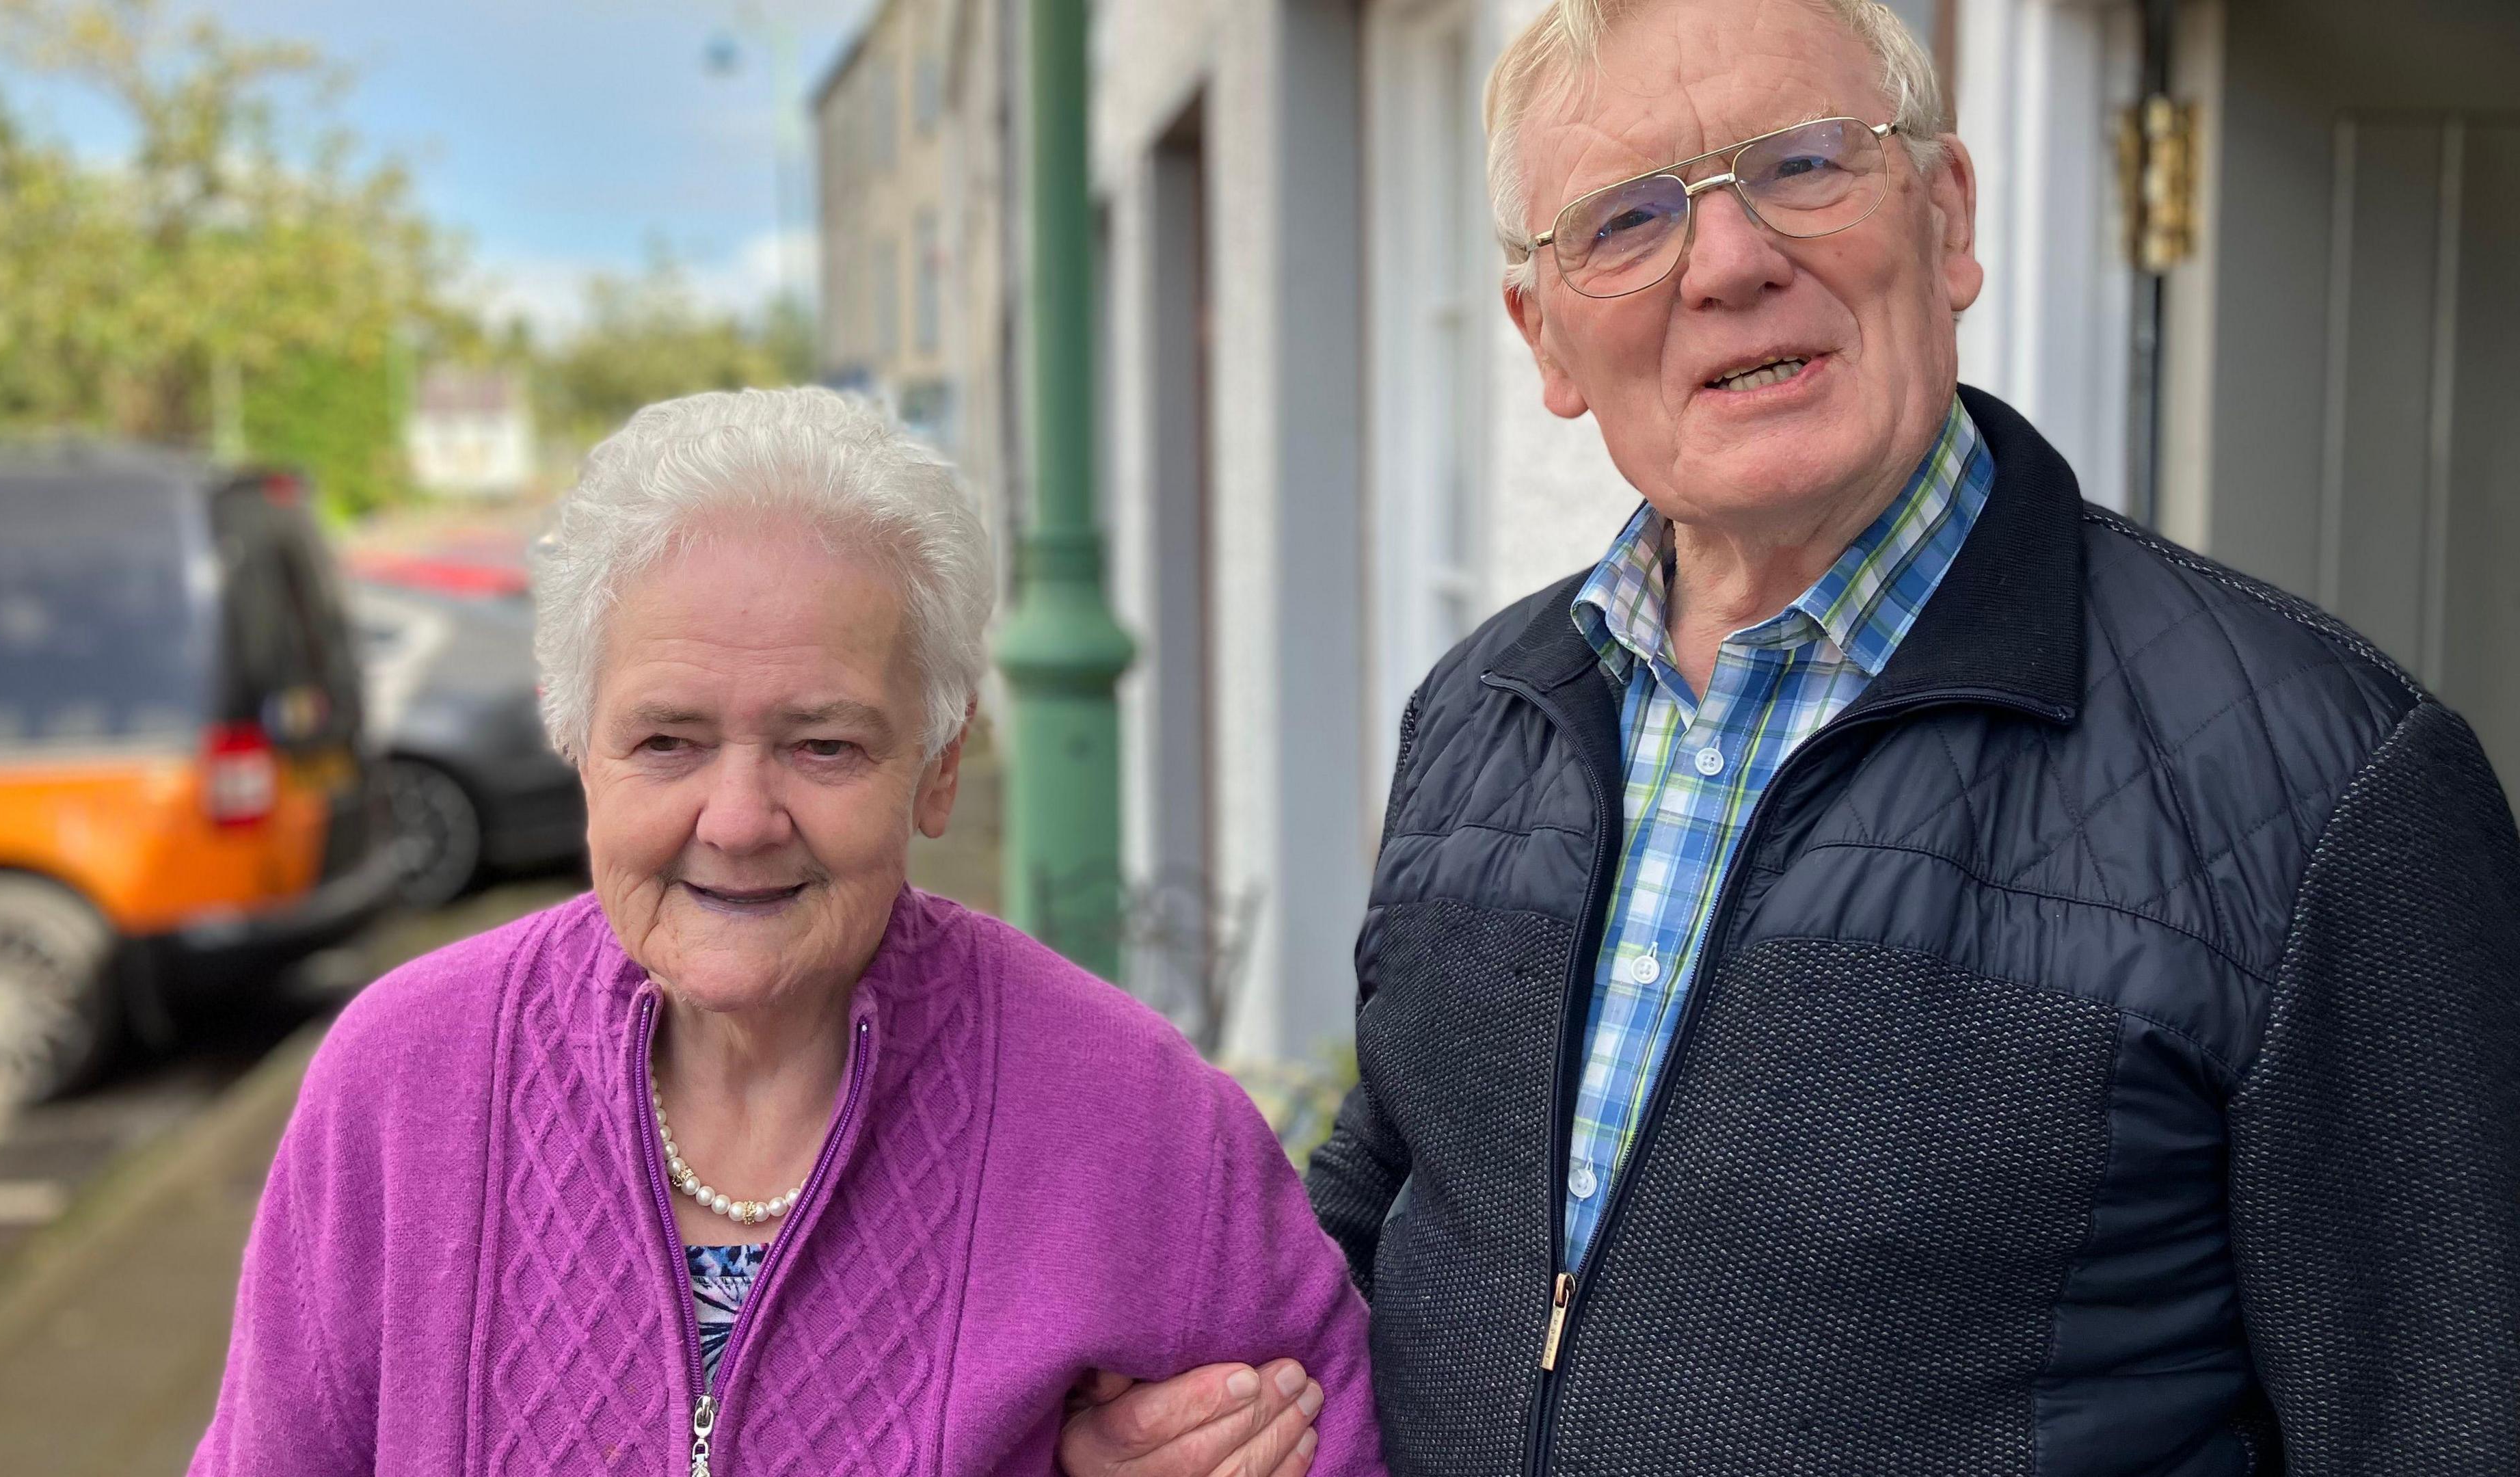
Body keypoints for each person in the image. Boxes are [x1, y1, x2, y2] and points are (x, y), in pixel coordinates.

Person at [1058, 0, 2520, 1472]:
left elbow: (2447, 1416)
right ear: (1545, 337)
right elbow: (1402, 1184)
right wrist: (1216, 1415)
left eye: (1806, 166)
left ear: (1946, 217)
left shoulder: (2328, 787)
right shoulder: (1483, 710)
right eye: (1625, 222)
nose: (1734, 260)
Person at [192, 388, 1378, 1477]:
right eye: (668, 740)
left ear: (939, 767)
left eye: (824, 744)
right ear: (576, 746)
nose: (741, 819)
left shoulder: (1136, 1118)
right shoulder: (402, 1079)